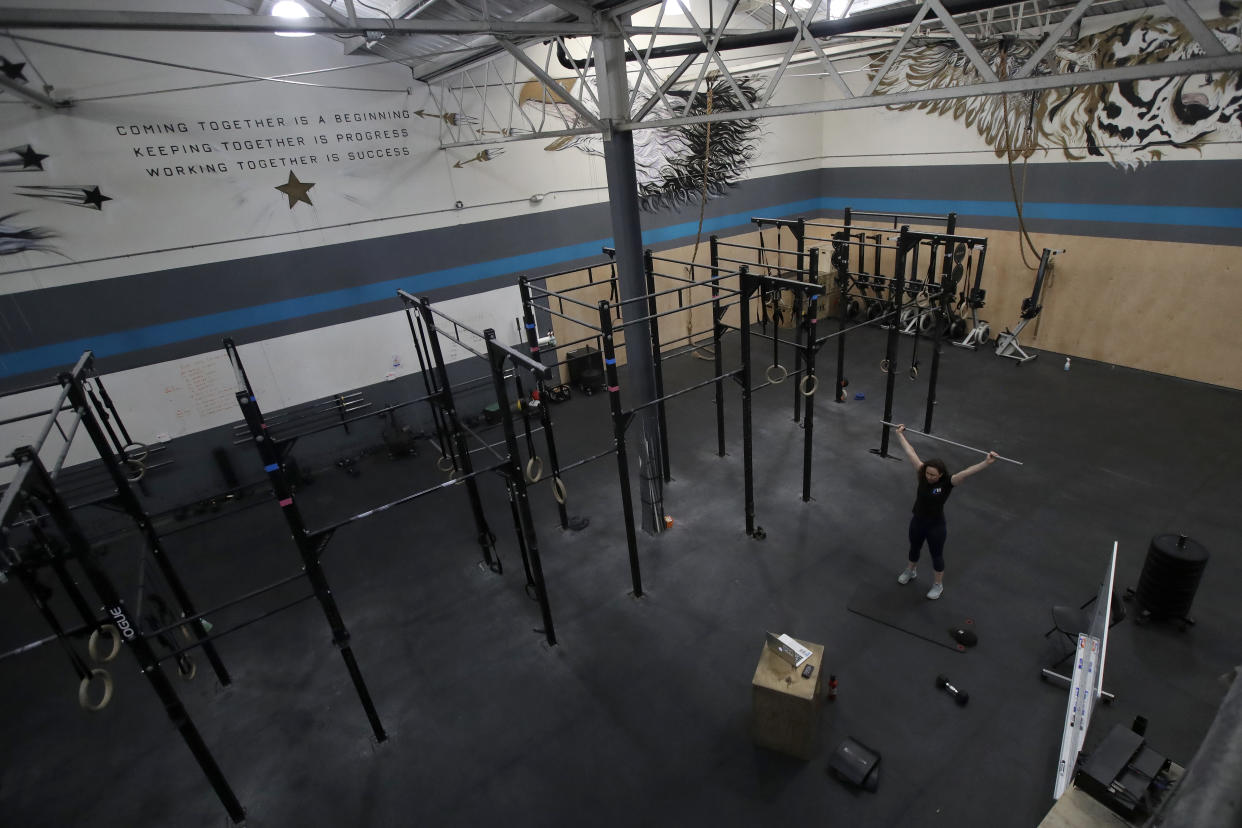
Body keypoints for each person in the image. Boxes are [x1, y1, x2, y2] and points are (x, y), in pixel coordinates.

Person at [893, 424, 998, 600]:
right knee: (914, 548)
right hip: (918, 520)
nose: (929, 477)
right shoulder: (922, 474)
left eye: (933, 475)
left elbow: (966, 472)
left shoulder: (948, 482)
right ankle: (910, 571)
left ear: (941, 475)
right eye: (928, 474)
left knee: (936, 555)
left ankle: (938, 585)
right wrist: (899, 435)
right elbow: (911, 452)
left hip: (935, 526)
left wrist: (986, 462)